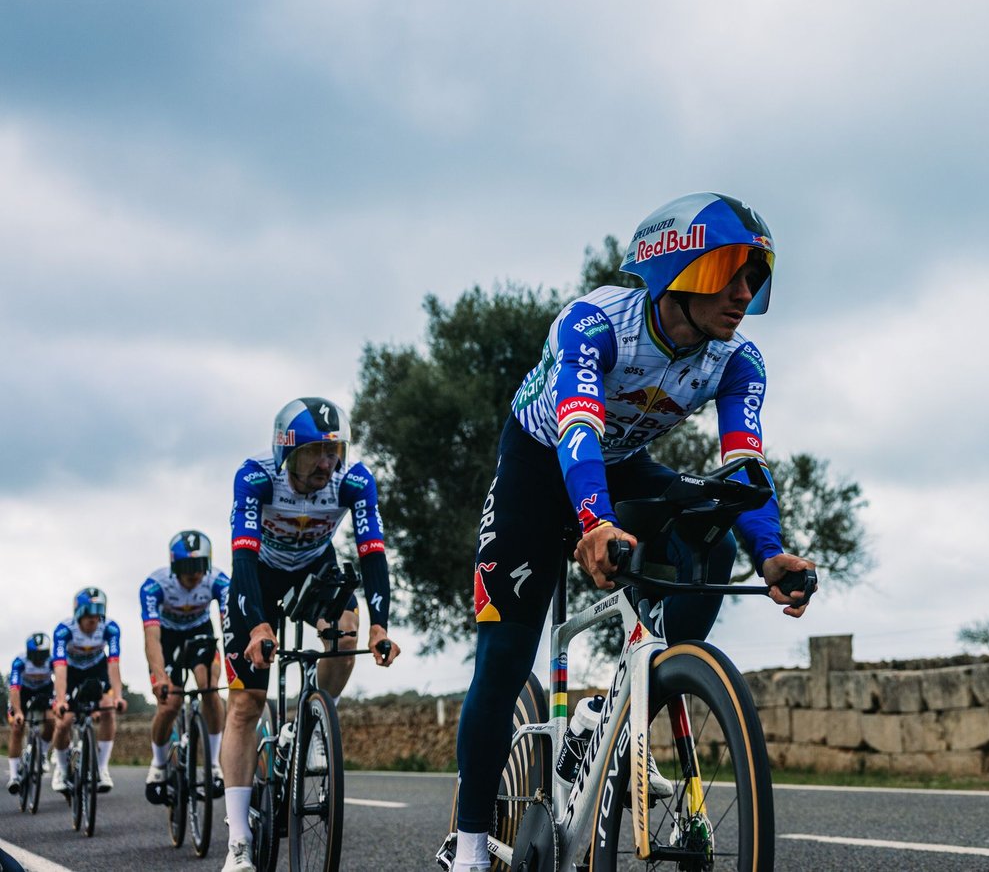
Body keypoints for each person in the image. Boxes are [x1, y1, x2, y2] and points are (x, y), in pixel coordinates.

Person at [450, 192, 817, 872]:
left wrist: (770, 551)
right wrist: (593, 520)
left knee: (708, 532)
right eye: (730, 271)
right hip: (541, 465)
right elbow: (578, 425)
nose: (743, 293)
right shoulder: (594, 324)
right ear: (678, 271)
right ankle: (470, 845)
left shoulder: (736, 360)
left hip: (622, 468)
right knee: (504, 658)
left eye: (755, 277)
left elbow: (743, 466)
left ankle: (612, 712)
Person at [218, 397, 401, 872]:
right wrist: (257, 624)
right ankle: (238, 838)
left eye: (333, 450)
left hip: (311, 569)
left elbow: (372, 554)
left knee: (347, 629)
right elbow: (241, 558)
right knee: (245, 705)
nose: (327, 462)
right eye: (314, 451)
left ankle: (313, 720)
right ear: (286, 452)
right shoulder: (255, 478)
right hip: (257, 574)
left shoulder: (353, 482)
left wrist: (380, 622)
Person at [141, 529, 230, 802]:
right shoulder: (154, 586)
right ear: (173, 566)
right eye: (186, 567)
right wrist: (159, 679)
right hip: (167, 639)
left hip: (200, 632)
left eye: (199, 566)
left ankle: (214, 764)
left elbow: (230, 628)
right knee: (169, 705)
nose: (193, 574)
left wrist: (235, 669)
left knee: (210, 690)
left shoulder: (219, 581)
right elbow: (152, 637)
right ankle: (158, 766)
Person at [49, 587, 125, 794]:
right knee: (64, 721)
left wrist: (118, 696)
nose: (93, 619)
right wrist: (61, 700)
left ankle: (101, 769)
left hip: (96, 670)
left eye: (98, 612)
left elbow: (114, 663)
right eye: (88, 613)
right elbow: (60, 667)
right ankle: (62, 770)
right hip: (71, 671)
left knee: (108, 708)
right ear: (79, 614)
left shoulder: (110, 628)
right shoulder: (63, 630)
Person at [7, 633, 56, 794]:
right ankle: (14, 776)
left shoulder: (52, 661)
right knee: (17, 728)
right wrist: (19, 712)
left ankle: (42, 753)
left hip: (45, 691)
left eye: (43, 655)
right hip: (23, 692)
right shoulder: (20, 662)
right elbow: (14, 689)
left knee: (51, 720)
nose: (39, 659)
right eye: (35, 655)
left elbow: (62, 678)